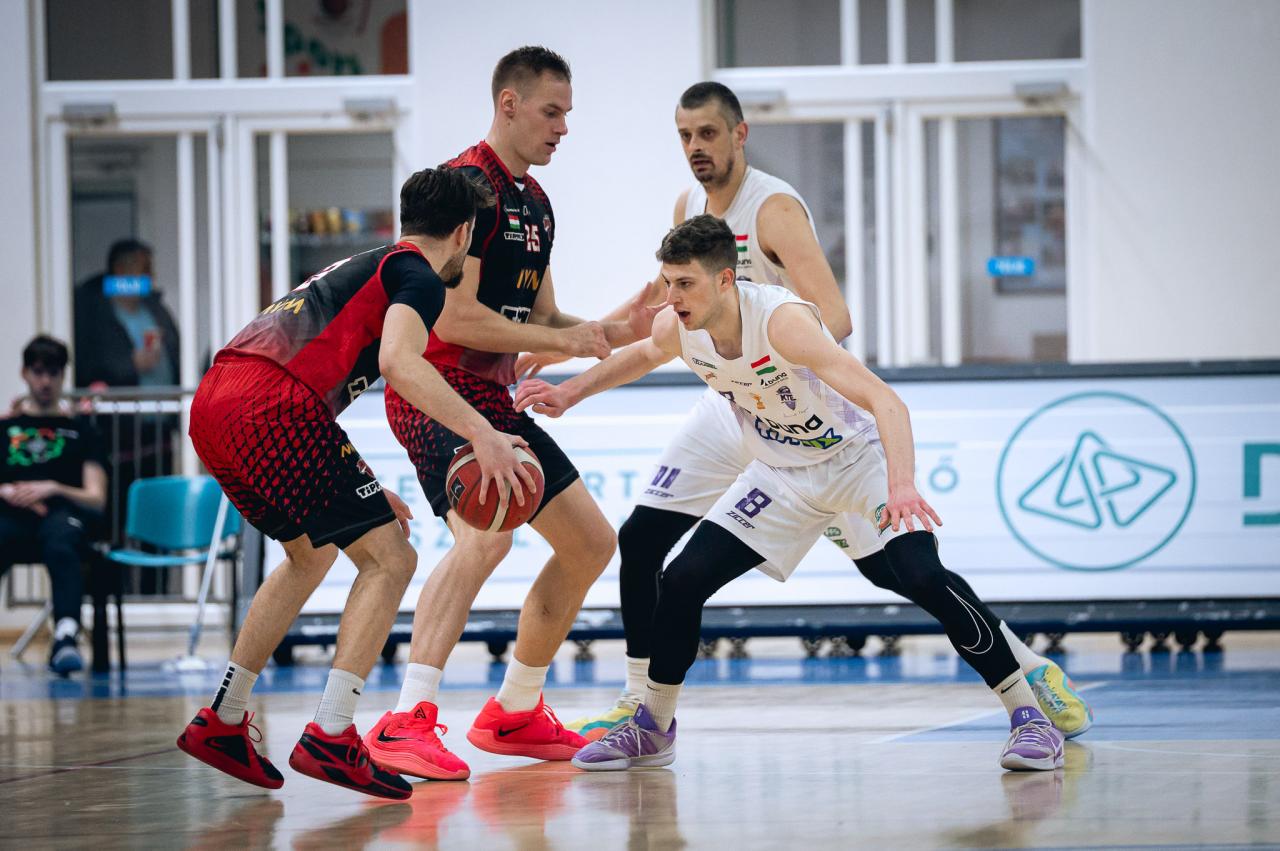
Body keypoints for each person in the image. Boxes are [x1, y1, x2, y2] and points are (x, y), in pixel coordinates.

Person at [542, 82, 1091, 744]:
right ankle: (643, 708)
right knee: (648, 543)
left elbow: (836, 319)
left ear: (739, 134)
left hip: (804, 397)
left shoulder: (772, 210)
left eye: (707, 133)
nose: (694, 147)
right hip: (739, 404)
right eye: (684, 135)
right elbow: (649, 325)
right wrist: (559, 364)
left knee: (897, 570)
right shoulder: (689, 214)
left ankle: (1026, 675)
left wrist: (778, 349)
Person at [176, 166, 533, 799]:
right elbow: (400, 363)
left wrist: (357, 481)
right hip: (274, 407)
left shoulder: (373, 264)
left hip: (216, 403)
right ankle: (333, 732)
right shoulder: (419, 276)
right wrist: (483, 432)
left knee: (308, 554)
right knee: (392, 559)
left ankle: (224, 719)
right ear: (462, 232)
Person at [362, 46, 651, 782]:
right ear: (509, 104)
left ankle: (514, 709)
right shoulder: (466, 189)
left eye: (568, 114)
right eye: (552, 112)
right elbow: (453, 318)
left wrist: (624, 328)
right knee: (486, 536)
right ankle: (405, 718)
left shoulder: (538, 203)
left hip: (494, 397)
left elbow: (545, 319)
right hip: (436, 388)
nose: (563, 128)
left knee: (590, 543)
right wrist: (562, 341)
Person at [0, 336, 108, 675]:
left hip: (62, 516)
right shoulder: (5, 428)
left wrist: (53, 487)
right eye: (38, 372)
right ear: (25, 373)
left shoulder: (80, 430)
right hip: (11, 516)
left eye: (53, 373)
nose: (45, 381)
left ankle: (65, 636)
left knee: (62, 539)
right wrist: (6, 491)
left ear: (63, 375)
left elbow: (96, 497)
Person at [73, 239, 181, 389]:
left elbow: (177, 352)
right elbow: (88, 367)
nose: (151, 277)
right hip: (125, 403)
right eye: (145, 270)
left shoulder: (157, 309)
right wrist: (131, 365)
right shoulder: (95, 316)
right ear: (120, 271)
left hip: (169, 402)